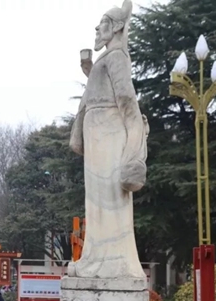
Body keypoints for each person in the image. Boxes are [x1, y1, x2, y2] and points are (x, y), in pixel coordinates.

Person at [68, 0, 148, 280]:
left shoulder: (117, 56)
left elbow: (125, 97)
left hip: (109, 132)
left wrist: (134, 137)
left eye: (102, 22)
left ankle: (111, 262)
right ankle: (95, 258)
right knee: (97, 201)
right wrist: (90, 70)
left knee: (109, 197)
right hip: (99, 132)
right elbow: (105, 89)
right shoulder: (109, 57)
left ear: (116, 27)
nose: (97, 28)